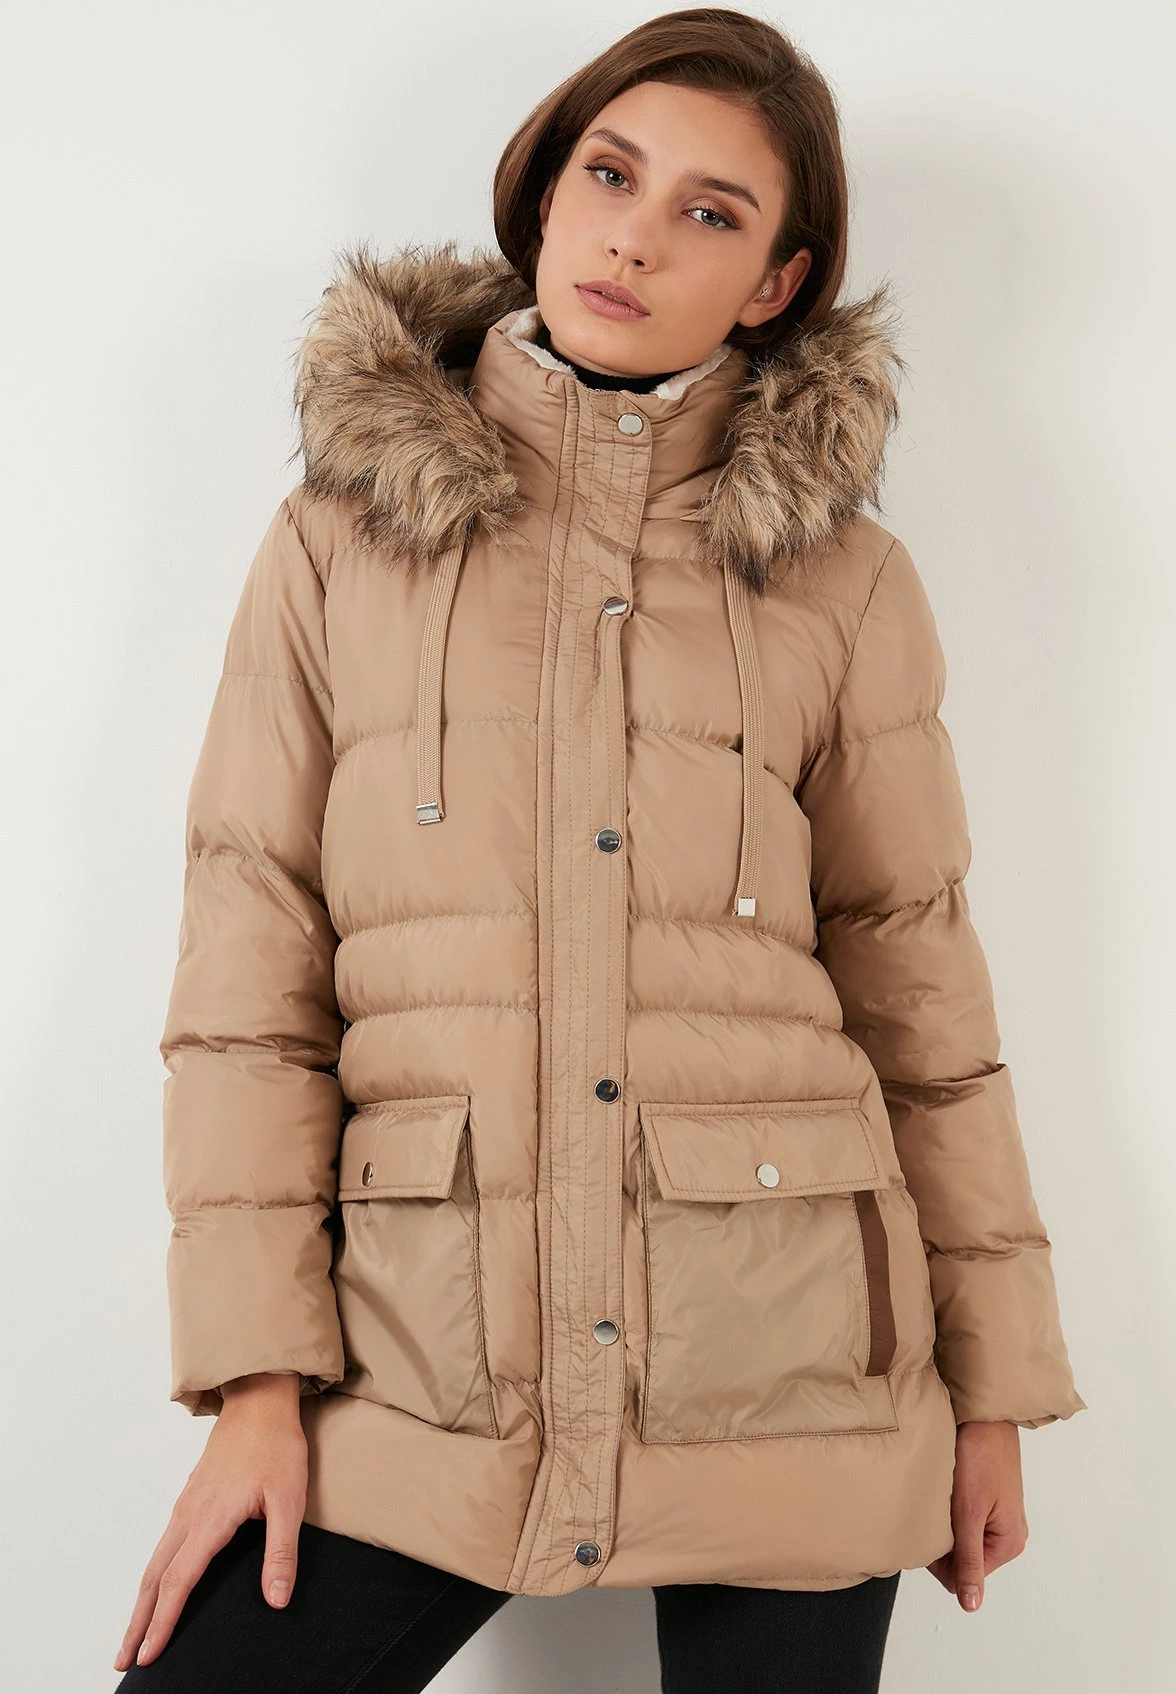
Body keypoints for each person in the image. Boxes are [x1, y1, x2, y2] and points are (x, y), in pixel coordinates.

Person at [114, 8, 1086, 1690]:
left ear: (775, 282)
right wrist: (256, 1385)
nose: (635, 236)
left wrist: (991, 1388)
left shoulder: (845, 581)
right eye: (610, 175)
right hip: (415, 1368)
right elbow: (247, 989)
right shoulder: (344, 535)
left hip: (797, 1370)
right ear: (547, 194)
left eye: (710, 212)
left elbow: (922, 996)